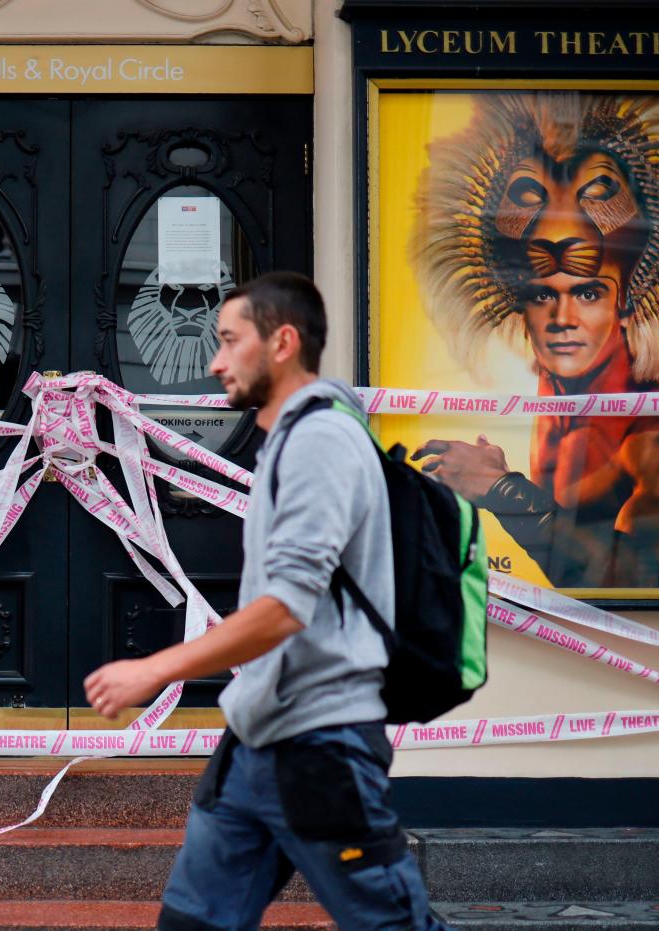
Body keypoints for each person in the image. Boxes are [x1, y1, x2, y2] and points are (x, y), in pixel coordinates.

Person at [85, 272, 448, 931]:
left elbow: (287, 606)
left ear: (282, 342)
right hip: (258, 735)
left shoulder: (320, 442)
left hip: (321, 744)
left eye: (229, 340)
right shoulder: (292, 438)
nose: (215, 360)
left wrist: (155, 668)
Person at [411, 93, 659, 588]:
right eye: (539, 294)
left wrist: (502, 489)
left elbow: (640, 583)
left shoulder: (654, 428)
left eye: (589, 292)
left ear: (627, 300)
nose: (562, 318)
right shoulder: (555, 402)